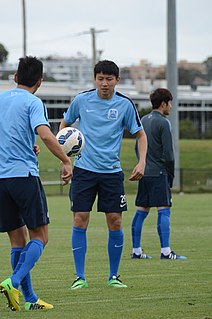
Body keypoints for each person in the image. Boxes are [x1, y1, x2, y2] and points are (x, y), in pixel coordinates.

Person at [59, 59, 147, 289]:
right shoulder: (81, 100)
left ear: (117, 80)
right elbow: (64, 125)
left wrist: (142, 162)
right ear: (95, 79)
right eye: (100, 79)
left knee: (115, 221)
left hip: (111, 173)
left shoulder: (125, 105)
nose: (104, 83)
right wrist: (64, 158)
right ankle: (80, 277)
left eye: (109, 79)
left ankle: (114, 276)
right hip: (84, 171)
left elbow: (140, 134)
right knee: (80, 219)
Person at [0, 56, 72, 311]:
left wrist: (24, 146)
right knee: (40, 236)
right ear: (39, 82)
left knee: (17, 241)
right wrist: (66, 161)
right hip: (24, 177)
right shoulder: (33, 102)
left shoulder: (1, 99)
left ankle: (30, 300)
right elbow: (46, 135)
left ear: (15, 77)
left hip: (2, 180)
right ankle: (14, 282)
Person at [131, 88, 187, 260]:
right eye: (170, 103)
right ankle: (166, 251)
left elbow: (137, 147)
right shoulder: (164, 123)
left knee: (141, 211)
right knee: (164, 210)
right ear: (164, 104)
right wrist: (170, 175)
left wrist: (143, 164)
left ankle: (136, 251)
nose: (171, 107)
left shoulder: (143, 120)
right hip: (159, 173)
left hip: (145, 173)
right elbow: (169, 154)